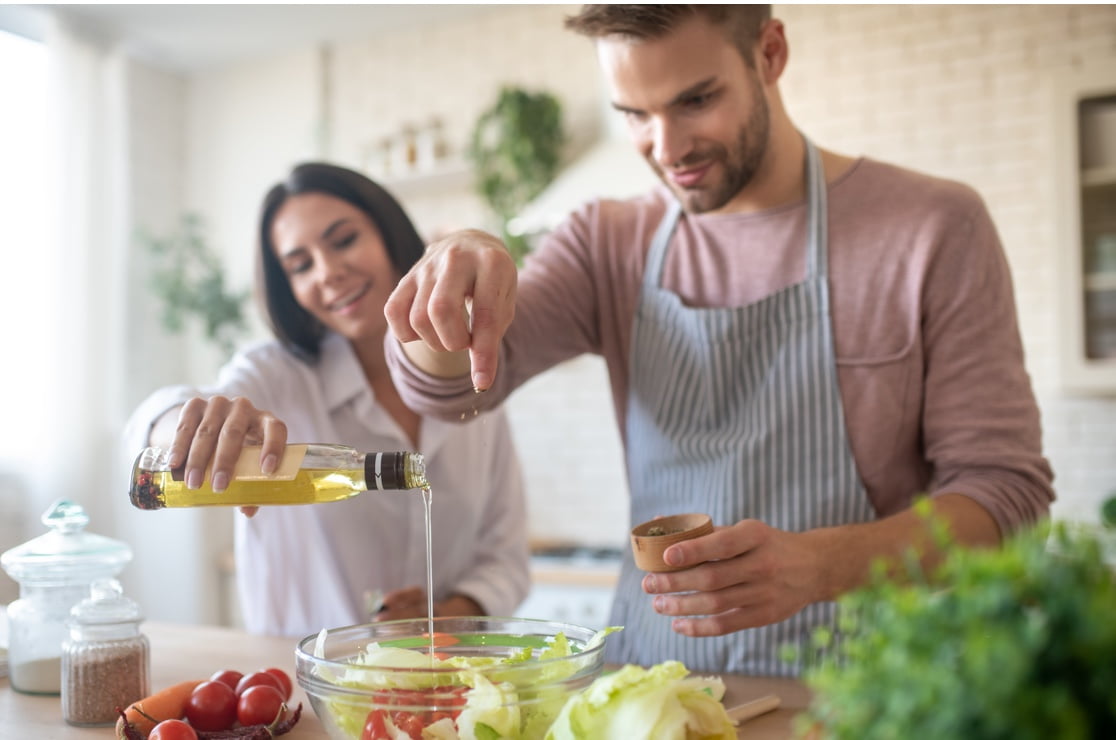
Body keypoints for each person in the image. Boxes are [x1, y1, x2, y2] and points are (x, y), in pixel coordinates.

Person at [380, 5, 1055, 676]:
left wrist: (821, 566)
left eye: (695, 100)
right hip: (654, 694)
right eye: (634, 115)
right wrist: (456, 271)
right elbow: (444, 393)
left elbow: (1006, 497)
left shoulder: (931, 228)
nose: (667, 148)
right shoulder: (605, 244)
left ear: (770, 53)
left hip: (867, 698)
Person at [125, 162, 530, 637]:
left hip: (443, 682)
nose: (329, 272)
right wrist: (183, 425)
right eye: (300, 265)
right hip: (301, 690)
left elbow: (505, 559)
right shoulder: (276, 376)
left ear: (389, 235)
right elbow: (151, 423)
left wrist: (448, 611)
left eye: (343, 241)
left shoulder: (471, 376)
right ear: (288, 288)